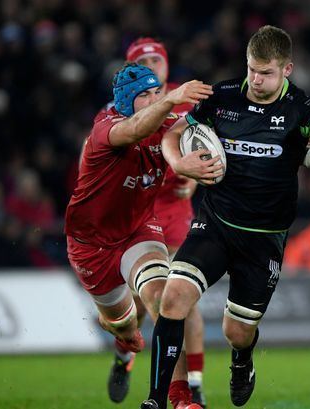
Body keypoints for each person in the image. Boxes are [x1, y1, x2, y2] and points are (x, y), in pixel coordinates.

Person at [140, 25, 310, 409]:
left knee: (236, 331)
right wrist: (180, 164)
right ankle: (164, 398)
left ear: (287, 69)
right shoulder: (221, 96)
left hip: (264, 236)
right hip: (215, 223)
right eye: (252, 69)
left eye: (266, 72)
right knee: (173, 300)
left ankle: (242, 359)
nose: (256, 79)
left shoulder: (300, 109)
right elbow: (172, 135)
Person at [65, 62, 217, 409]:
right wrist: (169, 101)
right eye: (143, 95)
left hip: (138, 231)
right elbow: (135, 129)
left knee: (167, 301)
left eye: (156, 92)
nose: (153, 100)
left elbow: (192, 132)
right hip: (91, 245)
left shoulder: (165, 127)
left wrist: (190, 168)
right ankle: (118, 333)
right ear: (125, 100)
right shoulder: (107, 128)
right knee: (126, 329)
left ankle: (179, 398)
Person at [122, 37, 208, 409]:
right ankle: (125, 353)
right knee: (146, 301)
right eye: (144, 62)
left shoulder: (185, 101)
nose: (154, 66)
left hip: (174, 210)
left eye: (158, 59)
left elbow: (208, 146)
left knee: (183, 296)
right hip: (141, 207)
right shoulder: (125, 109)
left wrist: (196, 176)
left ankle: (194, 384)